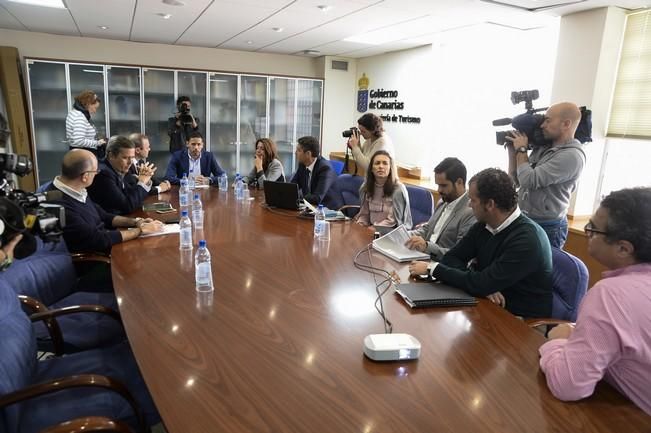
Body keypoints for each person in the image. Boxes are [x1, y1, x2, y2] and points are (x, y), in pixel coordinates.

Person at [539, 187, 651, 415]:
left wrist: (556, 342)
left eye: (592, 229)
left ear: (623, 248)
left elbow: (567, 385)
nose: (588, 233)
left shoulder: (612, 294)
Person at [412, 168, 552, 319]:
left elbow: (480, 283)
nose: (470, 206)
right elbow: (451, 258)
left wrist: (433, 268)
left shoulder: (528, 240)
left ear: (490, 204)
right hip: (486, 303)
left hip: (520, 320)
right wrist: (483, 285)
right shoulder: (484, 224)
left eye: (473, 200)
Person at [47, 149, 163, 254]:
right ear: (85, 176)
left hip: (107, 244)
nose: (97, 174)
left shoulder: (76, 189)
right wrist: (140, 231)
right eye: (95, 171)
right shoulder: (59, 204)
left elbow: (104, 216)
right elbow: (97, 240)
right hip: (93, 261)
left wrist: (137, 222)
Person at [506, 102, 586, 249]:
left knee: (541, 271)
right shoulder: (544, 148)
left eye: (548, 120)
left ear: (566, 124)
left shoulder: (571, 156)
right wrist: (513, 150)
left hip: (548, 226)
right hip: (526, 219)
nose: (542, 125)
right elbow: (517, 180)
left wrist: (522, 149)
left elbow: (528, 180)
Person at [405, 157, 476, 274]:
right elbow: (427, 228)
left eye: (443, 186)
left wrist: (427, 246)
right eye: (438, 185)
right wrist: (404, 235)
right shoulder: (443, 201)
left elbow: (459, 256)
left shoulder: (470, 211)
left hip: (440, 268)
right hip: (421, 259)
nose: (439, 190)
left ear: (459, 182)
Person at [87, 136, 156, 215]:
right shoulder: (104, 174)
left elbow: (132, 194)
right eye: (125, 158)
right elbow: (127, 206)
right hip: (111, 223)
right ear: (111, 155)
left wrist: (144, 181)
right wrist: (142, 182)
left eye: (132, 157)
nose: (130, 162)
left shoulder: (120, 168)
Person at [354, 150, 412, 230]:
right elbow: (364, 214)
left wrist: (374, 229)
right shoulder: (365, 187)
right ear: (371, 168)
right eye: (377, 163)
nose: (381, 166)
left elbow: (393, 221)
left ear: (390, 168)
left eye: (385, 163)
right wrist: (360, 226)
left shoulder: (398, 190)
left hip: (390, 232)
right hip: (371, 229)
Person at [290, 136, 336, 205]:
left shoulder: (325, 169)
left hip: (326, 209)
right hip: (310, 207)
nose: (295, 152)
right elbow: (293, 186)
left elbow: (317, 198)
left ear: (308, 154)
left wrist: (299, 198)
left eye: (299, 150)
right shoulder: (302, 165)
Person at [65, 90, 106, 158]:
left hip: (79, 153)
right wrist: (97, 143)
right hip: (83, 155)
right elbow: (78, 141)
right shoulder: (79, 117)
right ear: (88, 104)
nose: (95, 111)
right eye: (95, 108)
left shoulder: (74, 113)